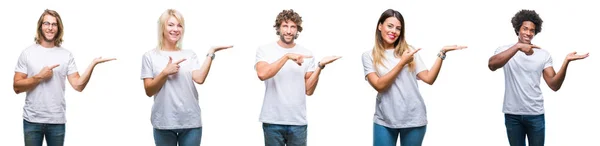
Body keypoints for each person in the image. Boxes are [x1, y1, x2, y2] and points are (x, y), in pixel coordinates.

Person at [361, 9, 467, 146]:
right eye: (390, 26)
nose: (394, 31)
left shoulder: (409, 52)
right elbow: (379, 85)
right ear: (380, 26)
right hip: (384, 120)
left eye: (398, 28)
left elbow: (429, 78)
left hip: (413, 118)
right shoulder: (368, 56)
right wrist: (402, 63)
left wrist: (442, 53)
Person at [13, 9, 116, 146]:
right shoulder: (27, 53)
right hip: (32, 120)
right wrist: (39, 77)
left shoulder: (66, 55)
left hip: (57, 121)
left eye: (54, 24)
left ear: (58, 28)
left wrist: (93, 64)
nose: (50, 28)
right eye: (46, 23)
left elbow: (78, 85)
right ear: (40, 26)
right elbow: (17, 87)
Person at [487, 9, 589, 146]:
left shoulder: (543, 54)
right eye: (525, 29)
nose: (528, 33)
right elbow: (492, 65)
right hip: (512, 115)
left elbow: (554, 85)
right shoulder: (504, 50)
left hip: (535, 114)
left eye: (532, 30)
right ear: (518, 29)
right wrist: (517, 47)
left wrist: (566, 62)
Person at [140, 9, 232, 146]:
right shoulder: (150, 56)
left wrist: (211, 53)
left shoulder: (190, 54)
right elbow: (149, 91)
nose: (175, 29)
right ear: (162, 28)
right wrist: (165, 72)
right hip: (163, 122)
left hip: (190, 122)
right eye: (170, 25)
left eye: (179, 25)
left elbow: (199, 79)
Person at [254, 9, 341, 146]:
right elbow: (262, 74)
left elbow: (308, 90)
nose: (289, 31)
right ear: (278, 27)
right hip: (272, 121)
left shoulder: (306, 53)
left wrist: (320, 66)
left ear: (297, 29)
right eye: (285, 26)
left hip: (298, 122)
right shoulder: (265, 50)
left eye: (293, 27)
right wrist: (287, 56)